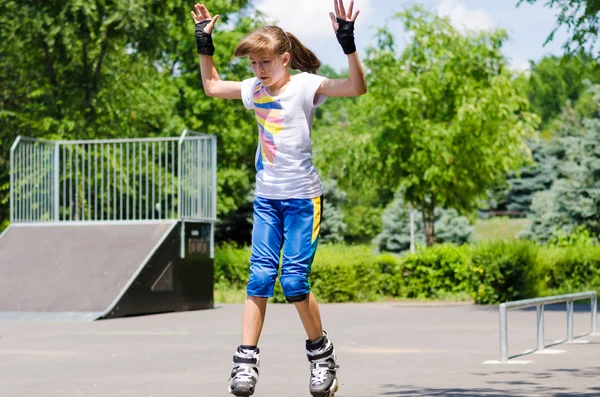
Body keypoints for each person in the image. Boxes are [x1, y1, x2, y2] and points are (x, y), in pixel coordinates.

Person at [190, 1, 367, 396]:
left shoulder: (306, 85)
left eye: (265, 63)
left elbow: (356, 87)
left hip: (304, 200)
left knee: (294, 282)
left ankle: (322, 357)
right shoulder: (253, 89)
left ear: (284, 59)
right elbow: (212, 85)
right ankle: (245, 362)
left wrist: (348, 44)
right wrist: (204, 43)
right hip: (267, 199)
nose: (258, 71)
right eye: (253, 64)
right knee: (259, 278)